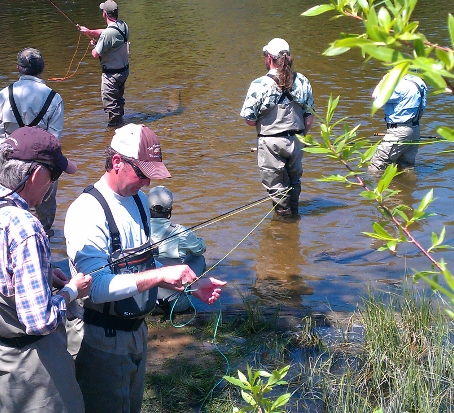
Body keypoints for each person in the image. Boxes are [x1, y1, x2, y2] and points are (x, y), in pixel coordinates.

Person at [64, 123, 226, 413]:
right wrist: (162, 274)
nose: (148, 183)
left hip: (136, 331)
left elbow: (145, 264)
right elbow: (96, 288)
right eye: (142, 173)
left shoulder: (139, 200)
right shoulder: (86, 212)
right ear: (117, 162)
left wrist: (191, 284)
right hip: (99, 338)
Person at [0, 127, 93, 413]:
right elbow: (40, 321)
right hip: (29, 369)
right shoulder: (26, 226)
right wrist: (71, 291)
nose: (53, 184)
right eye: (54, 175)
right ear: (37, 174)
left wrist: (43, 273)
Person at [0, 48, 65, 236]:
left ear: (18, 68)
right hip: (42, 164)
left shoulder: (3, 95)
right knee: (45, 209)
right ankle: (44, 238)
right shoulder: (54, 98)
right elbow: (53, 139)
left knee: (9, 208)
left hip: (10, 162)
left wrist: (7, 157)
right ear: (43, 67)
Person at [239, 38, 315, 218]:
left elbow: (249, 120)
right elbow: (309, 116)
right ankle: (294, 218)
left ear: (269, 58)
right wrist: (300, 137)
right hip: (297, 140)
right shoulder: (302, 81)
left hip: (271, 142)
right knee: (294, 182)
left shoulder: (259, 84)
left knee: (277, 189)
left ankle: (284, 225)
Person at [147, 186, 206, 314]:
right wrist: (197, 240)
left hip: (145, 304)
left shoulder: (138, 230)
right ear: (170, 210)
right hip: (176, 305)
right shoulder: (181, 232)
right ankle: (192, 291)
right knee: (198, 259)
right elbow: (200, 250)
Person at [77, 0, 130, 128]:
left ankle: (113, 130)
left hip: (111, 76)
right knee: (118, 101)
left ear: (105, 14)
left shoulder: (107, 34)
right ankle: (121, 123)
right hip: (123, 71)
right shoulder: (123, 25)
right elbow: (106, 32)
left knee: (111, 105)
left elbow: (95, 54)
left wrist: (95, 45)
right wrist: (89, 32)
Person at [369, 72, 428, 171]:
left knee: (376, 166)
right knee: (406, 167)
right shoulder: (419, 82)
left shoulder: (398, 85)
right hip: (415, 129)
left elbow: (376, 96)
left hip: (398, 132)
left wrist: (384, 79)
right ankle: (410, 181)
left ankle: (368, 182)